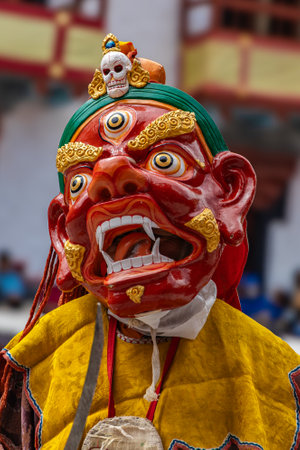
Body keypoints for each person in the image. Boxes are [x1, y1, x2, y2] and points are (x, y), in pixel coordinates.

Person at [0, 33, 299, 450]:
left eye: (164, 160)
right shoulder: (32, 359)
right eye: (81, 180)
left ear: (231, 193)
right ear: (61, 230)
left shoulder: (278, 371)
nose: (112, 176)